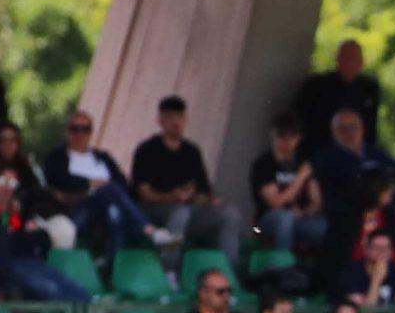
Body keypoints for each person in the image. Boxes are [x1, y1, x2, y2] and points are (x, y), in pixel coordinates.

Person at [42, 113, 156, 269]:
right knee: (110, 194)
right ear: (68, 131)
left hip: (108, 206)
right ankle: (145, 227)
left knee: (115, 212)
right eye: (75, 129)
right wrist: (90, 183)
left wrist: (103, 188)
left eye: (85, 129)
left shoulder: (102, 157)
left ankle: (112, 267)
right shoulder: (57, 157)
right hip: (79, 207)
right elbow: (58, 180)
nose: (80, 134)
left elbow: (122, 182)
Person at [130, 95, 232, 256]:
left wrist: (198, 198)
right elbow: (143, 192)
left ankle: (227, 271)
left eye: (180, 117)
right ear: (160, 121)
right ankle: (169, 270)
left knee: (228, 215)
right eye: (170, 117)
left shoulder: (192, 151)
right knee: (180, 213)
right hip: (155, 209)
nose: (176, 122)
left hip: (189, 208)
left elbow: (204, 191)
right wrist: (172, 197)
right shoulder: (147, 149)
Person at [0, 167, 90, 304]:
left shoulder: (19, 216)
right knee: (49, 288)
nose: (7, 187)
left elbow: (43, 239)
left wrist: (24, 236)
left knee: (74, 286)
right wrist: (23, 237)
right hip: (5, 269)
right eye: (2, 181)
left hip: (32, 263)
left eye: (12, 184)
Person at [249, 113, 325, 256]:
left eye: (292, 136)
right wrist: (300, 178)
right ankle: (284, 265)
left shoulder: (302, 162)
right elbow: (276, 202)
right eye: (282, 136)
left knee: (324, 228)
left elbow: (316, 200)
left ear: (299, 138)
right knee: (285, 218)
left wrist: (306, 211)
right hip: (268, 220)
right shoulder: (263, 164)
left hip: (301, 218)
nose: (287, 141)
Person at [295, 40, 382, 155]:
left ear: (361, 62)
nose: (350, 63)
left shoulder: (369, 89)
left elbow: (371, 125)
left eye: (354, 59)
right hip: (321, 149)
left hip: (354, 153)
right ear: (338, 60)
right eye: (346, 58)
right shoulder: (318, 86)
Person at [311, 107, 394, 206]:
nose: (348, 133)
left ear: (362, 129)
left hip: (385, 207)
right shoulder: (325, 158)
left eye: (353, 127)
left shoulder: (374, 153)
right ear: (334, 132)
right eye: (342, 129)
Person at [336, 227, 395, 308]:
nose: (382, 252)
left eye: (386, 248)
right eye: (377, 248)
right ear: (367, 250)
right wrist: (376, 280)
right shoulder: (353, 271)